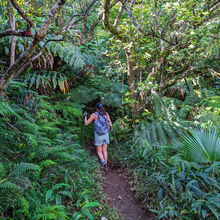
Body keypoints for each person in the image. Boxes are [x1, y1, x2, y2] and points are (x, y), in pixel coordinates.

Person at [84, 102, 112, 171]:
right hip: (105, 134)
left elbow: (86, 123)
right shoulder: (106, 113)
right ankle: (106, 166)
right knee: (104, 150)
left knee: (99, 151)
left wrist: (85, 116)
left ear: (96, 108)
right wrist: (111, 130)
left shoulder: (94, 115)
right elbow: (110, 124)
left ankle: (102, 162)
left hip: (98, 135)